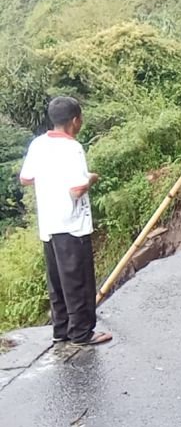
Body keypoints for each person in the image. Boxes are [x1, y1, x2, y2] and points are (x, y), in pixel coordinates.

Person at [19, 97, 112, 347]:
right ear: (75, 120)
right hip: (71, 224)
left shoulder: (38, 144)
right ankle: (82, 333)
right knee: (78, 281)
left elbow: (26, 178)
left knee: (57, 281)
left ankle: (61, 330)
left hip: (48, 223)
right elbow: (77, 189)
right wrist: (91, 178)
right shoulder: (73, 148)